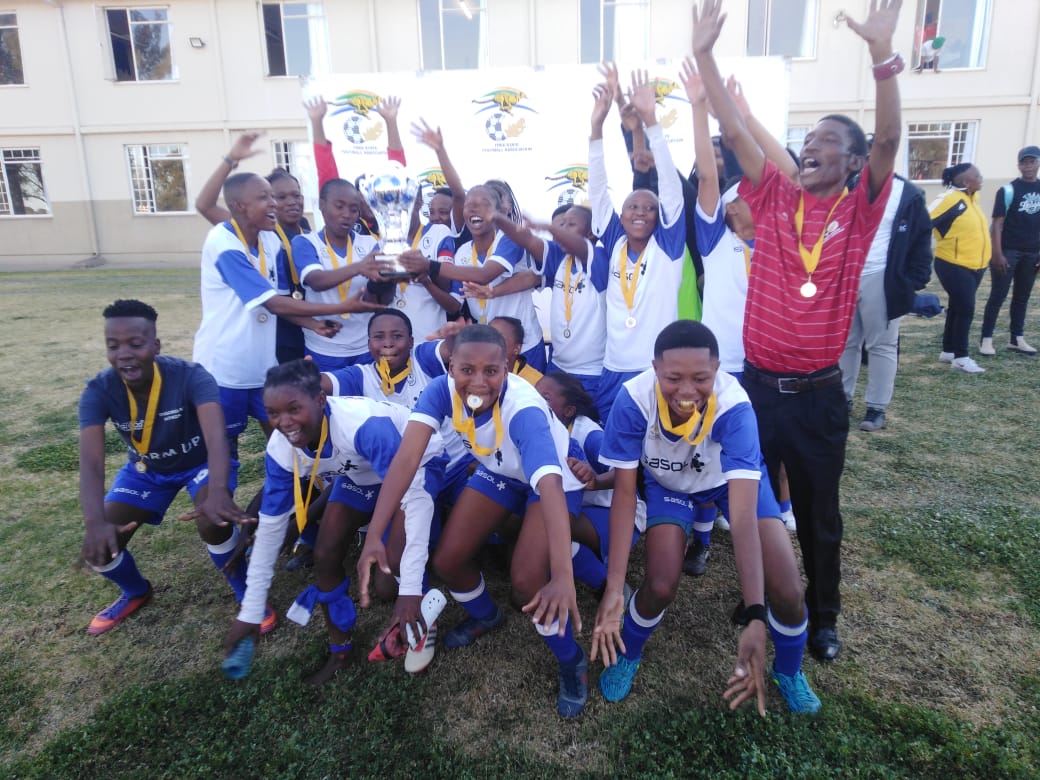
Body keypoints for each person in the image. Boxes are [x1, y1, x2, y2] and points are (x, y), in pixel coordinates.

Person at [692, 0, 904, 662]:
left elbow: (889, 140)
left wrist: (881, 55)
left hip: (816, 396)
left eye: (828, 142)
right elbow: (734, 132)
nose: (812, 147)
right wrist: (704, 56)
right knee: (752, 501)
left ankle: (824, 613)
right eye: (807, 139)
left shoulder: (859, 212)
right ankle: (759, 598)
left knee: (817, 512)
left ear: (854, 162)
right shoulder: (775, 196)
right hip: (757, 389)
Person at [356, 325, 589, 717]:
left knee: (527, 581)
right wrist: (375, 534)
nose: (478, 382)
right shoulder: (439, 391)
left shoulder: (524, 411)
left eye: (491, 371)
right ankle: (486, 615)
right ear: (450, 367)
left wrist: (563, 576)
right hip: (501, 469)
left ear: (507, 369)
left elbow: (549, 486)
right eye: (467, 370)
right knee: (449, 561)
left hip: (551, 479)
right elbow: (406, 460)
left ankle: (572, 659)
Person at [592, 321, 820, 714]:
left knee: (788, 590)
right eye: (673, 378)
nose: (686, 391)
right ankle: (629, 653)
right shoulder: (633, 400)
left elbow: (743, 517)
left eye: (701, 378)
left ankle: (788, 670)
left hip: (726, 483)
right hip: (670, 485)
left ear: (717, 370)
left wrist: (755, 614)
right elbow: (625, 496)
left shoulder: (734, 406)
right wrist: (614, 586)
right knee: (659, 585)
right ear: (655, 369)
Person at [223, 360, 447, 685]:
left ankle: (421, 616)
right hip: (361, 473)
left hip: (418, 465)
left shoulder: (365, 425)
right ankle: (341, 650)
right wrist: (251, 610)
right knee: (325, 553)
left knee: (393, 575)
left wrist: (410, 590)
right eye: (273, 413)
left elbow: (413, 499)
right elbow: (270, 528)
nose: (284, 423)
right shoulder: (281, 447)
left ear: (320, 399)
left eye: (294, 409)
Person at [79, 300, 268, 635]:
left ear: (155, 345)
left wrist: (218, 490)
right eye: (113, 345)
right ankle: (136, 592)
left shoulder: (190, 376)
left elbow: (217, 438)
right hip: (147, 470)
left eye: (135, 344)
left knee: (214, 519)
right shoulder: (98, 390)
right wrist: (94, 522)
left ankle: (247, 593)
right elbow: (91, 463)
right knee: (100, 546)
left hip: (201, 463)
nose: (124, 354)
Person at [192, 172, 379, 448]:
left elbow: (280, 300)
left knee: (286, 442)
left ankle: (295, 474)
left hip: (264, 365)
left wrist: (312, 323)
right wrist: (344, 306)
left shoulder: (271, 241)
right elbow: (272, 302)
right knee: (223, 448)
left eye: (280, 197)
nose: (276, 204)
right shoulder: (224, 243)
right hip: (225, 368)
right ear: (239, 206)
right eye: (268, 197)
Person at [589, 66, 687, 409]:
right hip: (614, 367)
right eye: (632, 206)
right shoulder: (615, 239)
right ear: (621, 216)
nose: (640, 212)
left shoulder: (668, 246)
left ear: (660, 218)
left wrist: (651, 122)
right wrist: (596, 128)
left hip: (656, 369)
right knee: (613, 439)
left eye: (649, 208)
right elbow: (598, 190)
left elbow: (671, 190)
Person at [194, 132, 316, 365]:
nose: (291, 202)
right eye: (280, 197)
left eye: (296, 195)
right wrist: (230, 160)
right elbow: (204, 205)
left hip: (302, 323)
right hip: (274, 324)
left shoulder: (306, 230)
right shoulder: (254, 230)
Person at [840, 136, 934, 431]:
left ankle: (876, 408)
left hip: (882, 278)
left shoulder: (908, 194)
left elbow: (921, 238)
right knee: (845, 343)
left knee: (881, 345)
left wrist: (912, 281)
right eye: (867, 155)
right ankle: (842, 400)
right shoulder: (846, 187)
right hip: (845, 277)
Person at [400, 186, 547, 371]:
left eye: (484, 204)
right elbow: (455, 303)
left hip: (525, 346)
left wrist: (429, 265)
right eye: (469, 205)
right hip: (488, 348)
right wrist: (426, 281)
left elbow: (485, 275)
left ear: (497, 211)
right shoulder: (462, 252)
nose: (475, 210)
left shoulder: (510, 238)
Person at [490, 208, 611, 420]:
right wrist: (495, 216)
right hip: (557, 367)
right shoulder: (560, 258)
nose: (562, 229)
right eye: (561, 224)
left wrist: (547, 226)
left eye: (570, 224)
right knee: (553, 424)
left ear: (591, 232)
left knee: (586, 426)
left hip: (591, 372)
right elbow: (528, 241)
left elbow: (578, 247)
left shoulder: (599, 258)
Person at [290, 178, 388, 370]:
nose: (347, 215)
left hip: (364, 346)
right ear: (322, 205)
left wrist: (389, 279)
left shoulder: (369, 243)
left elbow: (378, 295)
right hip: (324, 347)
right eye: (339, 206)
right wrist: (358, 267)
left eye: (353, 209)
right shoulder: (305, 242)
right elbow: (316, 280)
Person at [929, 162, 991, 373]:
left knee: (957, 307)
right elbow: (923, 220)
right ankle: (961, 358)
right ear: (966, 181)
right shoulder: (949, 199)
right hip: (953, 264)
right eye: (978, 175)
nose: (981, 178)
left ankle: (948, 351)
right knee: (966, 309)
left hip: (975, 266)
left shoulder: (972, 198)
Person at [979, 145, 1040, 357]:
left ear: (1038, 163)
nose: (1028, 166)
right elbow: (997, 224)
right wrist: (997, 253)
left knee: (1022, 296)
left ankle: (1016, 339)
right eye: (1024, 162)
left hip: (1032, 253)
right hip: (1008, 251)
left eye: (1032, 161)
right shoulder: (1008, 190)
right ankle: (986, 339)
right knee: (998, 295)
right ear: (1019, 165)